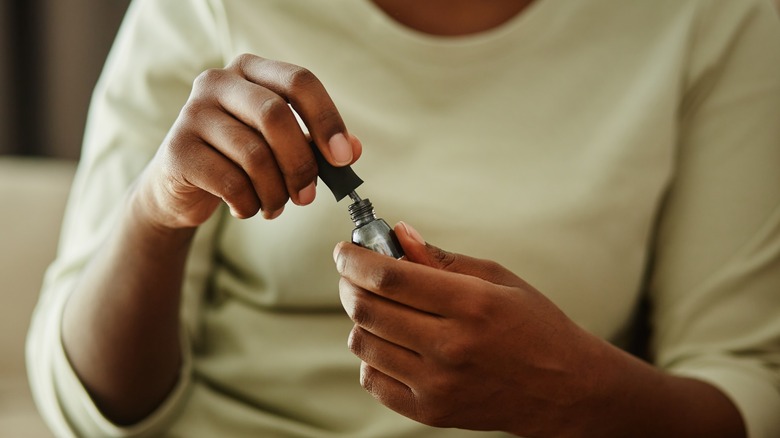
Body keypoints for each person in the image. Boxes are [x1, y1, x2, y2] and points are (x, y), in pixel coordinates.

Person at [26, 0, 780, 437]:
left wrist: (574, 390)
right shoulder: (203, 9)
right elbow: (83, 408)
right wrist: (157, 214)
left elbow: (747, 387)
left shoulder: (718, 19)